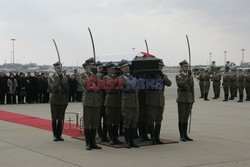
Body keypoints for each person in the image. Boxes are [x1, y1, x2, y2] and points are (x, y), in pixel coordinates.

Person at [146, 59, 172, 144]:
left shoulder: (163, 75)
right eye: (159, 66)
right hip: (152, 100)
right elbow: (147, 85)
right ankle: (153, 138)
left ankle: (157, 137)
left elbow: (169, 83)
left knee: (159, 119)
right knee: (151, 119)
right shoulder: (150, 75)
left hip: (160, 100)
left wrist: (162, 76)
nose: (160, 67)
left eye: (162, 66)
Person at [118, 59, 139, 148]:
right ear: (121, 69)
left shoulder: (132, 77)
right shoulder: (121, 78)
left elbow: (138, 85)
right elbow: (126, 86)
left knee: (134, 122)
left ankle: (132, 140)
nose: (127, 68)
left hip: (135, 102)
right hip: (127, 102)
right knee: (127, 121)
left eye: (127, 66)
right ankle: (127, 141)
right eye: (125, 67)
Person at [81, 58, 102, 150]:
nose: (93, 66)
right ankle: (88, 143)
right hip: (88, 100)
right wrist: (93, 75)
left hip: (96, 100)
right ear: (87, 66)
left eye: (94, 65)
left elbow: (101, 86)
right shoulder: (83, 75)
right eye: (91, 65)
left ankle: (93, 142)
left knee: (95, 122)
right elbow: (86, 86)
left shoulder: (98, 75)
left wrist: (96, 76)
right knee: (87, 122)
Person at [48, 62, 69, 142]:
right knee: (54, 118)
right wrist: (59, 79)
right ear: (54, 69)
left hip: (63, 99)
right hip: (55, 99)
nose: (59, 69)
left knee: (61, 118)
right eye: (58, 68)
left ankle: (59, 135)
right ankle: (55, 135)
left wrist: (66, 100)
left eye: (60, 68)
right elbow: (53, 88)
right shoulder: (51, 78)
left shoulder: (64, 77)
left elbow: (66, 88)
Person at [103, 62, 122, 145]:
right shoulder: (106, 77)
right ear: (108, 70)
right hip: (110, 100)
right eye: (112, 69)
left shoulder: (117, 77)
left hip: (117, 100)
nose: (114, 70)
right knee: (110, 120)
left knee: (116, 120)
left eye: (114, 69)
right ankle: (111, 138)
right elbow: (110, 86)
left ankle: (116, 137)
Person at [176, 60, 194, 142]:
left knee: (186, 117)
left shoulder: (190, 76)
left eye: (187, 66)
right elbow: (181, 85)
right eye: (185, 66)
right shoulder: (178, 76)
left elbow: (192, 88)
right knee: (181, 117)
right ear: (181, 67)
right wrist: (187, 77)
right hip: (182, 98)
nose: (187, 68)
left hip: (189, 98)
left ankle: (185, 134)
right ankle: (181, 135)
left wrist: (192, 99)